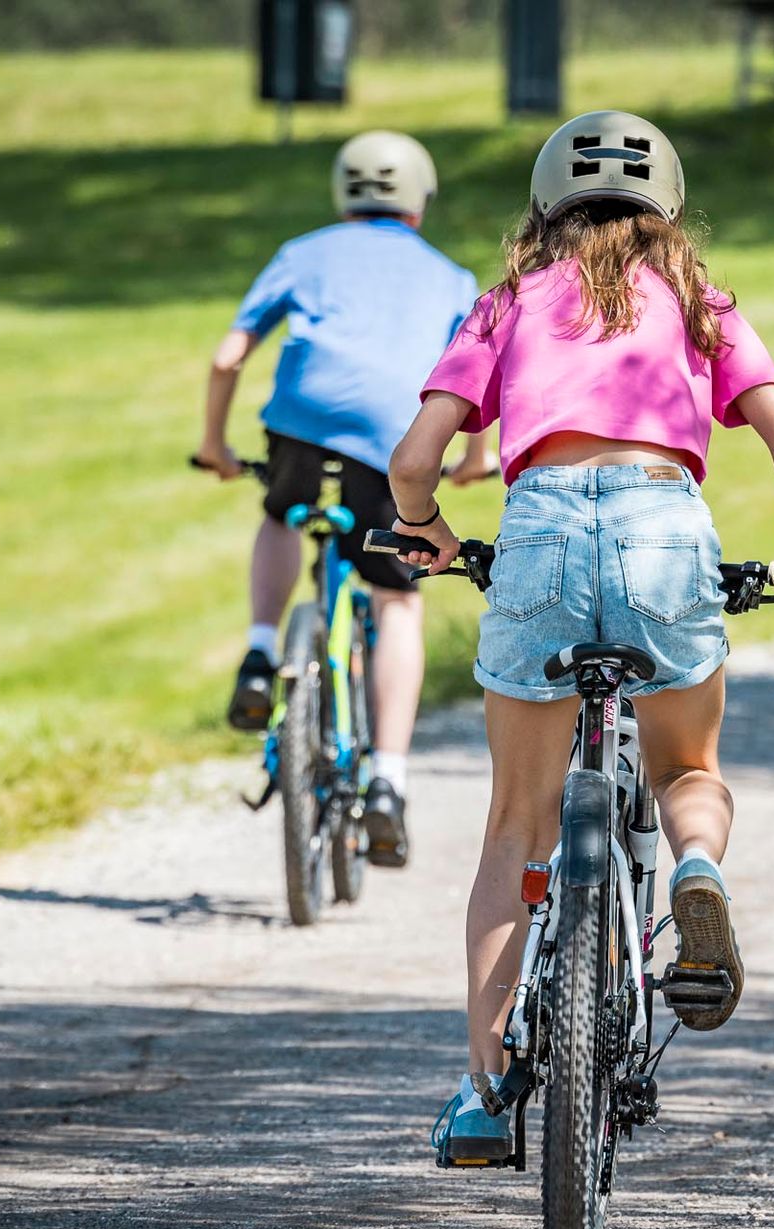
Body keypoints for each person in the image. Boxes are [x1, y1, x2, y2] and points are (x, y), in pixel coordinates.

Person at [388, 110, 774, 1163]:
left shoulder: (505, 303)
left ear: (544, 206)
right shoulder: (699, 302)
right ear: (671, 208)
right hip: (661, 526)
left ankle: (484, 1090)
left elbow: (415, 461)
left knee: (517, 822)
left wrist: (432, 534)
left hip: (542, 526)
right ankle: (698, 870)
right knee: (690, 765)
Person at [196, 130, 487, 866]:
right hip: (392, 435)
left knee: (281, 512)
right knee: (398, 602)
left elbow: (228, 355)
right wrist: (474, 460)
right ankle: (387, 778)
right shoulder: (451, 277)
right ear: (419, 201)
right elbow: (478, 384)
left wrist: (216, 447)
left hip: (302, 417)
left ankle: (262, 653)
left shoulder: (303, 251)